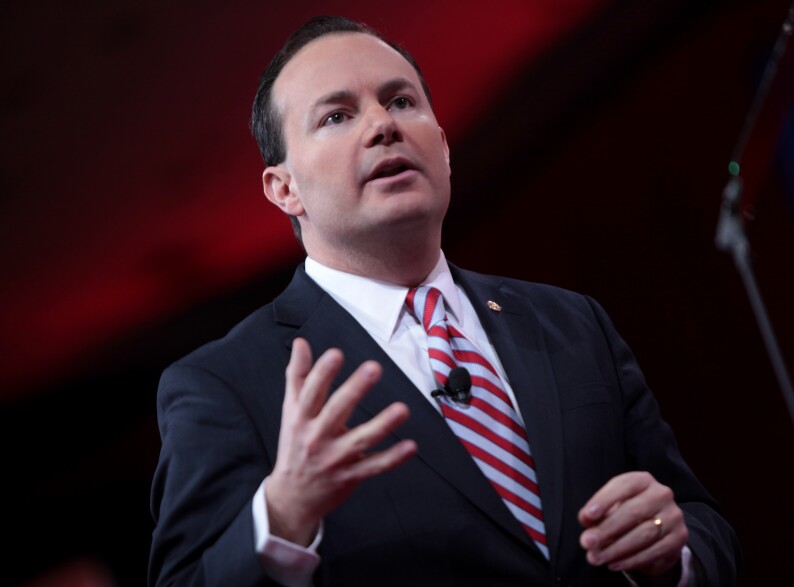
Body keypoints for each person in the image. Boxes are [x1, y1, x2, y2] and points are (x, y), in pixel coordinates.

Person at [149, 15, 741, 587]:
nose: (382, 125)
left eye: (401, 101)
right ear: (284, 189)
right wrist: (281, 517)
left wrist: (672, 552)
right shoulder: (224, 386)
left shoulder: (571, 322)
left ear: (445, 148)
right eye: (336, 115)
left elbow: (700, 521)